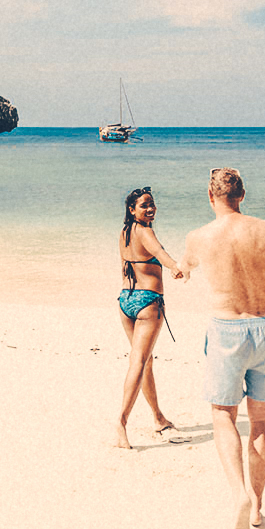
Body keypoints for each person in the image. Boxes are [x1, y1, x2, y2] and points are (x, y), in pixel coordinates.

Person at [182, 167, 265, 529]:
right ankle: (257, 506)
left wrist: (179, 270)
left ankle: (239, 494)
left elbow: (185, 266)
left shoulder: (199, 237)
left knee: (223, 416)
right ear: (243, 194)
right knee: (262, 423)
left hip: (227, 330)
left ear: (210, 195)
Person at [115, 186, 186, 450]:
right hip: (147, 303)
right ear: (132, 209)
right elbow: (159, 253)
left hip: (125, 301)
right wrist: (176, 268)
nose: (150, 209)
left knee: (145, 362)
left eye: (152, 204)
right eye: (144, 205)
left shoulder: (124, 232)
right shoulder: (145, 231)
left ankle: (158, 417)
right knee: (139, 361)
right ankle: (121, 423)